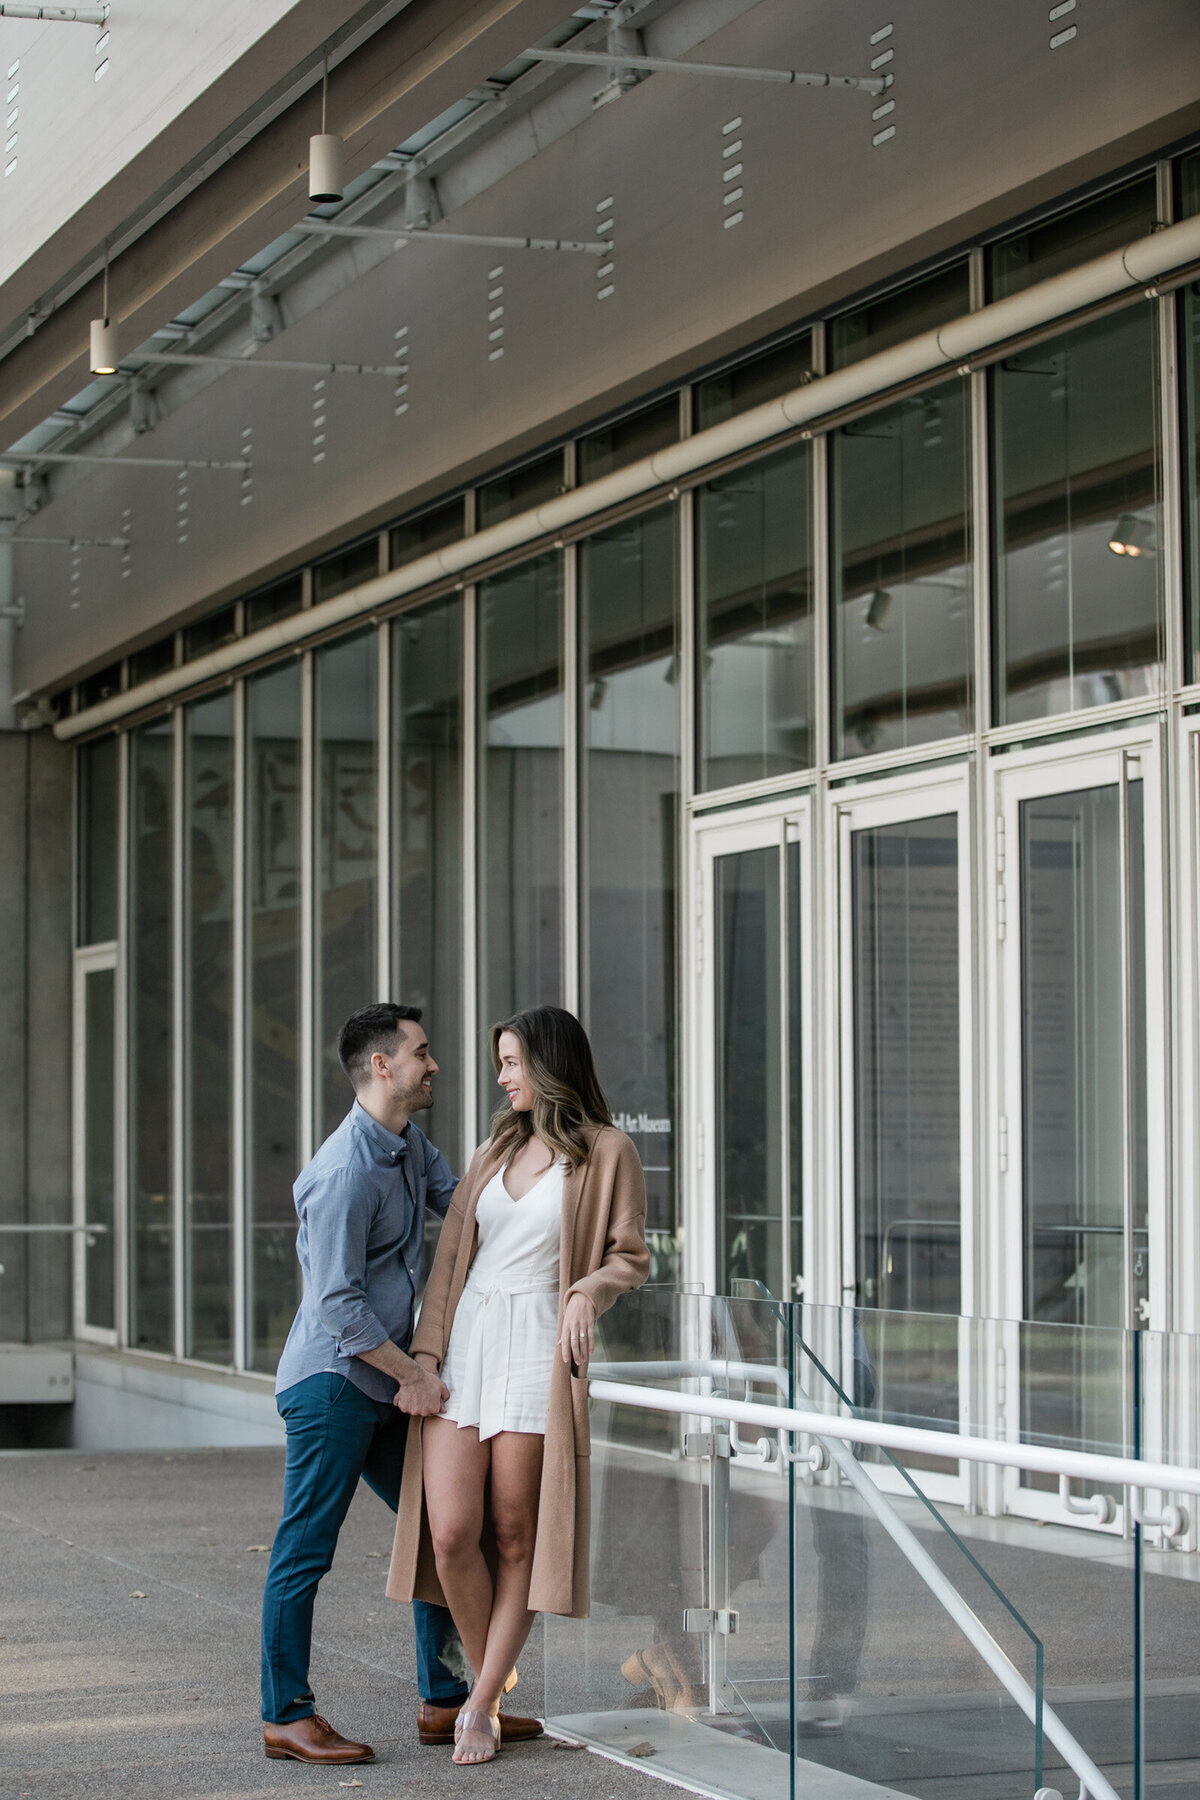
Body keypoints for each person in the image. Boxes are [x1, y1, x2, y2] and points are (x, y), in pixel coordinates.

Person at [259, 1002, 543, 1764]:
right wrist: (414, 1372)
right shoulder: (342, 1172)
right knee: (305, 1548)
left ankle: (447, 1697)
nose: (435, 1064)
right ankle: (285, 1713)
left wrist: (555, 1195)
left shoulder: (409, 1145)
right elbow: (338, 1307)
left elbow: (470, 1213)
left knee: (440, 1529)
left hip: (385, 1382)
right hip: (332, 1384)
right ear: (382, 1066)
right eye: (422, 1052)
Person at [386, 1004, 650, 1765]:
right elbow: (448, 1268)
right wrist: (426, 1356)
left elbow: (631, 1256)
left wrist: (584, 1293)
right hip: (469, 1341)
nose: (501, 1077)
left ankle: (476, 1703)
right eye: (501, 1062)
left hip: (537, 1345)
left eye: (511, 1062)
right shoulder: (493, 1148)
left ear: (548, 1064)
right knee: (451, 1531)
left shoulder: (607, 1152)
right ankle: (491, 1689)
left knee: (513, 1531)